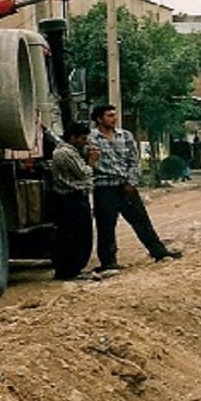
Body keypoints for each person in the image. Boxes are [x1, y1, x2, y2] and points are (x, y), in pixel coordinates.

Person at [88, 104, 182, 272]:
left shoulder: (125, 136)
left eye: (114, 115)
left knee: (142, 221)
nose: (114, 118)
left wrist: (131, 181)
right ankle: (108, 261)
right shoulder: (90, 138)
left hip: (126, 186)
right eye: (109, 115)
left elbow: (134, 160)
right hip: (104, 187)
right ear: (99, 119)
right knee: (106, 227)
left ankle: (159, 252)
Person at [51, 122, 99, 281]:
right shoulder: (65, 153)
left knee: (76, 236)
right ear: (73, 137)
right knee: (75, 236)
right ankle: (70, 270)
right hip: (71, 198)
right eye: (83, 138)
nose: (85, 142)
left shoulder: (71, 151)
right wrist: (92, 161)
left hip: (73, 198)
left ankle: (72, 269)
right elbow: (83, 173)